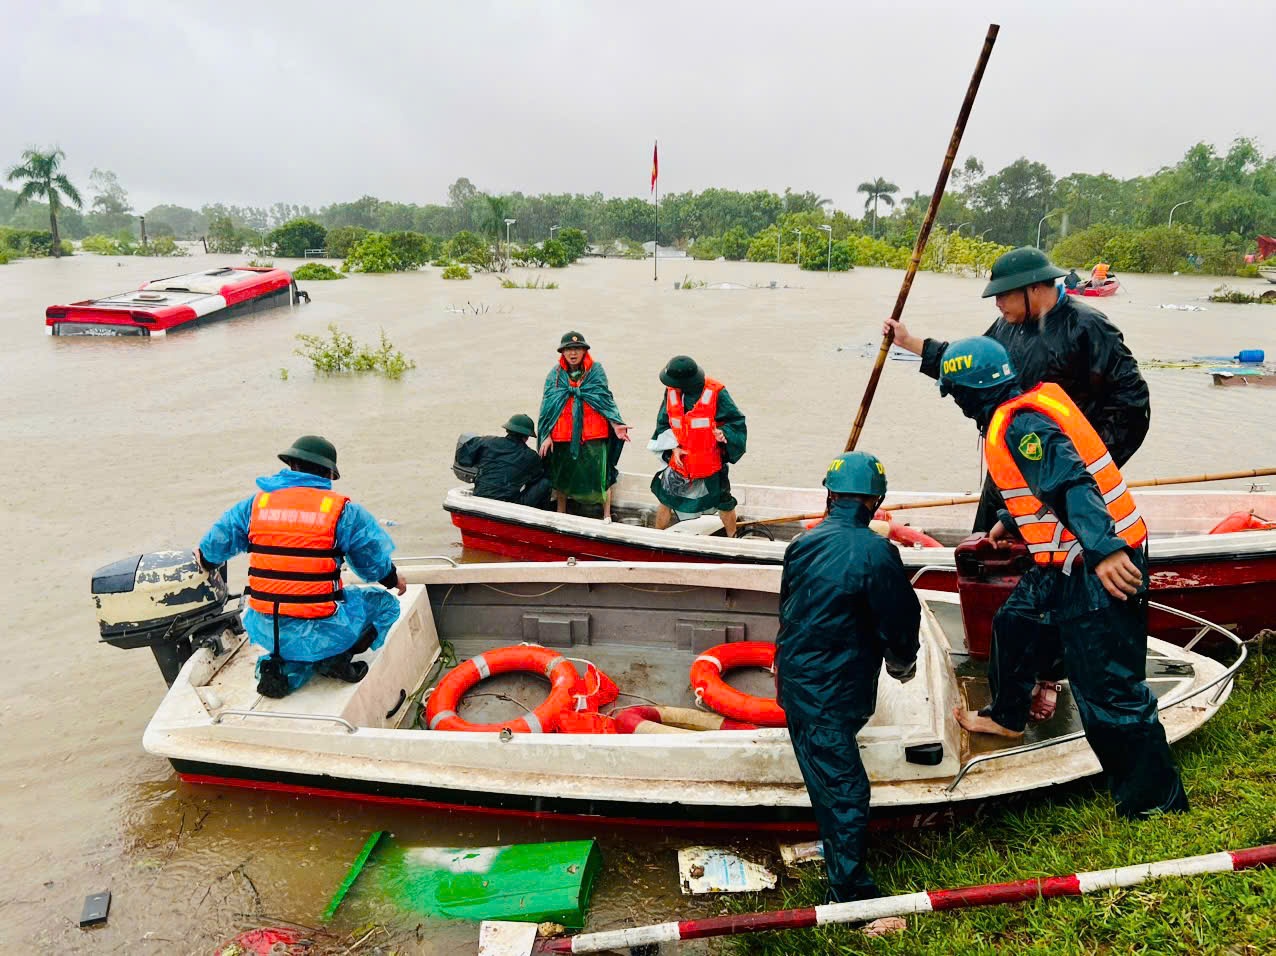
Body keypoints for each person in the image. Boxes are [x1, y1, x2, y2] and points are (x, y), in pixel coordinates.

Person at [886, 246, 1150, 719]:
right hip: (1011, 474)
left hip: (1066, 481)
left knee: (1060, 583)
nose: (997, 306)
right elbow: (969, 364)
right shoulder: (1008, 327)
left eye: (1004, 295)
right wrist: (912, 344)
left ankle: (1051, 674)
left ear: (1035, 287)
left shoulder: (1089, 327)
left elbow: (1132, 406)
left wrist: (1087, 471)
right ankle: (1005, 673)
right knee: (995, 563)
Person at [938, 337, 1188, 819]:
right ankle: (1006, 717)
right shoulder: (1025, 409)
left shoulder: (1021, 424)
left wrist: (1106, 550)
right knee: (1014, 624)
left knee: (1109, 693)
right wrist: (1010, 522)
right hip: (1062, 561)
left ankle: (1155, 805)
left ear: (968, 392)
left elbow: (1070, 481)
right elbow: (1045, 482)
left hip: (1093, 563)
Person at [775, 451, 920, 934]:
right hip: (831, 692)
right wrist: (902, 662)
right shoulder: (879, 553)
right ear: (875, 501)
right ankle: (853, 903)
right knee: (847, 791)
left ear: (830, 496)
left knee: (828, 776)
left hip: (800, 679)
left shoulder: (802, 544)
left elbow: (788, 607)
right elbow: (899, 621)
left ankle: (836, 848)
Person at [196, 435, 406, 699]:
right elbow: (373, 565)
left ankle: (285, 667)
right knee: (386, 605)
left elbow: (211, 550)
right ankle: (335, 659)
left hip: (264, 630)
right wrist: (393, 580)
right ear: (329, 473)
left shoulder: (255, 505)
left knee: (290, 626)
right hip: (323, 631)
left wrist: (205, 561)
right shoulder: (342, 511)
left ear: (291, 465)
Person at [650, 355, 748, 537]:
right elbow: (664, 423)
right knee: (665, 498)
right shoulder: (671, 392)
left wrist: (724, 433)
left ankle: (733, 538)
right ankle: (656, 536)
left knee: (724, 501)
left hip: (709, 461)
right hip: (679, 460)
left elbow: (736, 421)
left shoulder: (716, 392)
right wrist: (673, 447)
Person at [537, 331, 630, 521]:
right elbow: (547, 407)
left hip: (594, 433)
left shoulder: (595, 371)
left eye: (577, 348)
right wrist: (546, 434)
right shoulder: (554, 375)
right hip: (563, 435)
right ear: (562, 353)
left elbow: (604, 400)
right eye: (568, 349)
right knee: (562, 475)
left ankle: (606, 516)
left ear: (584, 351)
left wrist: (616, 424)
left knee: (601, 475)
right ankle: (561, 513)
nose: (572, 353)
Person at [455, 414, 552, 509]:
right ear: (527, 437)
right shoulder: (531, 457)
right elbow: (536, 478)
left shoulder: (486, 442)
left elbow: (462, 459)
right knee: (545, 482)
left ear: (507, 430)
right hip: (509, 505)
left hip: (480, 496)